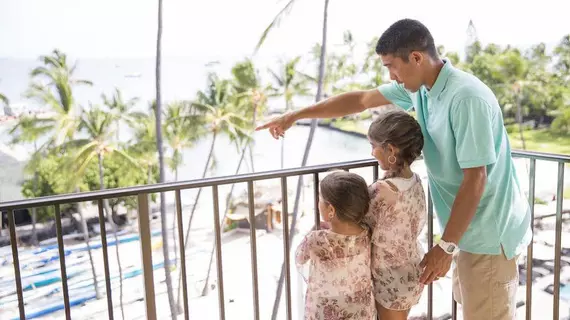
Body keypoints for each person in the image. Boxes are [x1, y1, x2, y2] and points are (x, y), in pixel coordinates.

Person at [258, 18, 531, 320]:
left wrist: (446, 246)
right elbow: (360, 100)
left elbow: (476, 177)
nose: (391, 75)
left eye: (391, 66)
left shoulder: (466, 98)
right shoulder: (422, 89)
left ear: (416, 57)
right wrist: (296, 115)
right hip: (466, 229)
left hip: (489, 232)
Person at [363, 110, 426, 320]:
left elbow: (361, 225)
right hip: (409, 270)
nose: (372, 153)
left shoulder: (381, 191)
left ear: (390, 149)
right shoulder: (415, 181)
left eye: (374, 146)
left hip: (388, 278)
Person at [295, 171, 376, 319]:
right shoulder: (367, 233)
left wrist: (314, 229)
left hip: (326, 312)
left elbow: (299, 257)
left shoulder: (316, 240)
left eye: (320, 199)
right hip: (360, 311)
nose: (318, 204)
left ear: (331, 210)